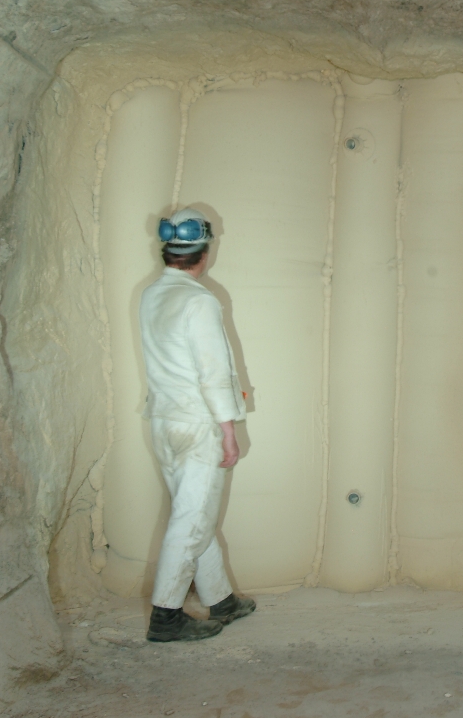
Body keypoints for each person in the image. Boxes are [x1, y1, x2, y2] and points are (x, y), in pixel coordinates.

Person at [140, 207, 257, 642]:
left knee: (194, 514)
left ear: (167, 253)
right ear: (203, 254)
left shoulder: (151, 295)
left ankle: (222, 599)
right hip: (196, 427)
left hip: (163, 422)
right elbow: (213, 373)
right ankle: (166, 616)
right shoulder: (200, 301)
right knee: (191, 520)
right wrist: (228, 431)